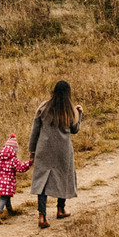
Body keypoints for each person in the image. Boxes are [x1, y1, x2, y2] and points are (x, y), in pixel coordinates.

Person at [28, 78, 82, 229]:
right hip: (63, 150)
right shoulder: (70, 110)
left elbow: (35, 131)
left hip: (44, 149)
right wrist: (80, 113)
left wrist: (32, 151)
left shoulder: (43, 107)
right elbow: (75, 129)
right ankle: (61, 209)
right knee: (63, 177)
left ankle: (42, 215)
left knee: (42, 181)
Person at [0, 132, 24, 218]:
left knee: (6, 195)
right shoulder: (13, 160)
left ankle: (9, 209)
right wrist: (29, 163)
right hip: (8, 182)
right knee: (4, 197)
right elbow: (20, 168)